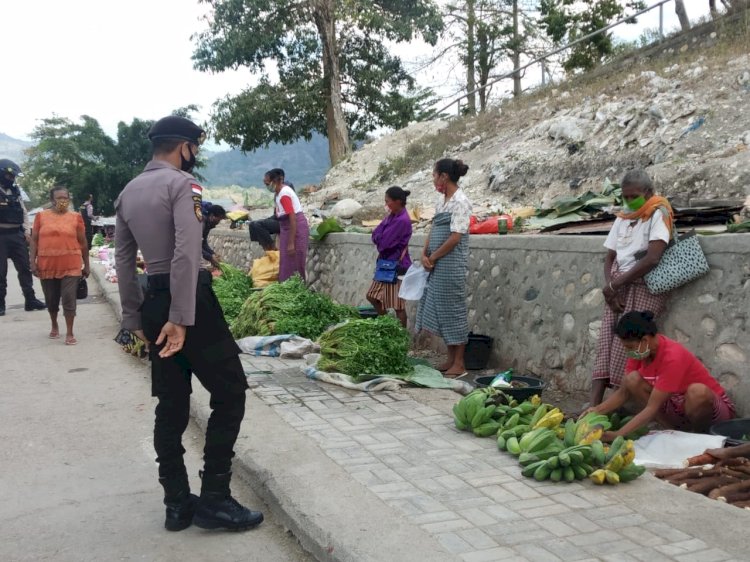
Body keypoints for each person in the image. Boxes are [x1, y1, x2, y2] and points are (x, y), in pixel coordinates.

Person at [115, 116, 263, 533]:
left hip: (152, 303)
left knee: (172, 402)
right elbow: (186, 250)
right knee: (231, 391)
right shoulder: (184, 184)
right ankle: (215, 497)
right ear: (184, 147)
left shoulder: (127, 193)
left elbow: (126, 261)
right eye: (194, 148)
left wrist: (134, 318)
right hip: (190, 301)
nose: (193, 155)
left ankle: (177, 503)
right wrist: (182, 317)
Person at [590, 169, 673, 407]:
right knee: (606, 342)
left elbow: (653, 258)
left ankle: (616, 408)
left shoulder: (659, 213)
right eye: (625, 196)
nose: (628, 201)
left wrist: (616, 284)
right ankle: (593, 404)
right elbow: (610, 257)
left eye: (634, 196)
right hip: (617, 288)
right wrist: (611, 288)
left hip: (643, 286)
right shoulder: (624, 216)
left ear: (649, 192)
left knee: (628, 345)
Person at [583, 311, 736, 440]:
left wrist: (618, 434)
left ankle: (698, 437)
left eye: (629, 347)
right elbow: (624, 392)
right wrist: (596, 410)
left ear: (645, 340)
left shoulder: (672, 357)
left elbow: (652, 408)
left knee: (697, 391)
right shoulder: (639, 352)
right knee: (632, 380)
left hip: (712, 412)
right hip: (678, 407)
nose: (627, 351)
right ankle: (673, 432)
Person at [416, 158, 472, 378]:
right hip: (436, 264)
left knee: (454, 310)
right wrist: (425, 253)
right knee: (441, 311)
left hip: (451, 264)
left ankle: (459, 362)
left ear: (444, 176)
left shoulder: (461, 201)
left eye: (434, 175)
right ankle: (450, 358)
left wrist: (435, 257)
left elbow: (456, 237)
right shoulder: (441, 202)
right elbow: (434, 230)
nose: (433, 179)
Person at [29, 186, 89, 344]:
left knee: (69, 298)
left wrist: (87, 265)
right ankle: (54, 324)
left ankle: (70, 332)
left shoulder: (76, 217)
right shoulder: (41, 216)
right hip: (47, 264)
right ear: (52, 200)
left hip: (71, 264)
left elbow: (83, 242)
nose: (63, 200)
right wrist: (32, 262)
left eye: (65, 197)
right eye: (59, 198)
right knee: (51, 299)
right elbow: (34, 240)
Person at [0, 158, 46, 316]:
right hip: (1, 237)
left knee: (25, 269)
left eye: (13, 177)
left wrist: (26, 232)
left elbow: (24, 212)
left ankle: (30, 300)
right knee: (1, 272)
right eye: (9, 176)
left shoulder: (16, 191)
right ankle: (0, 304)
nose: (12, 179)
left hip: (17, 234)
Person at [366, 186, 412, 327]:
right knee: (372, 296)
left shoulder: (401, 220)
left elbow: (383, 243)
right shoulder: (392, 216)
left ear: (397, 201)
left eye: (388, 201)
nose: (386, 205)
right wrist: (380, 237)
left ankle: (399, 336)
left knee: (398, 305)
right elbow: (376, 235)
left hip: (396, 266)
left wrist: (379, 237)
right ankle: (389, 325)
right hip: (387, 264)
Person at [268, 168, 309, 281]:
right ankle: (286, 284)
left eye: (268, 183)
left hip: (295, 229)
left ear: (275, 181)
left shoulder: (284, 194)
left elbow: (292, 217)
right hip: (287, 229)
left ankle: (296, 287)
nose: (267, 187)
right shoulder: (279, 194)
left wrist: (291, 242)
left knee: (294, 262)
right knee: (286, 262)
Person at [247, 168, 294, 251]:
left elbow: (289, 213)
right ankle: (265, 246)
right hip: (278, 217)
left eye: (267, 184)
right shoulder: (276, 192)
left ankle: (272, 249)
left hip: (284, 222)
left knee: (259, 225)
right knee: (252, 224)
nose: (267, 187)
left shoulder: (285, 189)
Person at [201, 202, 227, 269]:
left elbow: (203, 243)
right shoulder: (202, 223)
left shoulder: (208, 224)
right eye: (219, 219)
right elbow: (194, 245)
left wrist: (212, 254)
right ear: (212, 216)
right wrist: (210, 257)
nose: (219, 222)